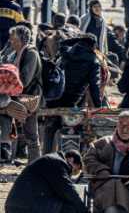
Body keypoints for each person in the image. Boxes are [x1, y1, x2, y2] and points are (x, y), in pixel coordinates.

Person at [5, 150, 87, 213]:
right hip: (25, 206)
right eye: (74, 170)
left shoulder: (51, 160)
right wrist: (84, 211)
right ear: (71, 159)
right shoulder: (57, 162)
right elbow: (68, 191)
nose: (70, 175)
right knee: (70, 209)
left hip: (19, 204)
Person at [7, 25, 42, 163]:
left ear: (22, 40)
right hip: (17, 96)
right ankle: (10, 157)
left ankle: (35, 164)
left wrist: (8, 80)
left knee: (31, 134)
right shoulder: (14, 53)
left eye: (14, 39)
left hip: (30, 98)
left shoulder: (31, 53)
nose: (11, 41)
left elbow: (25, 80)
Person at [46, 34, 102, 108]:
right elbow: (94, 86)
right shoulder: (94, 62)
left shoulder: (67, 52)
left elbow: (63, 43)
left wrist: (78, 39)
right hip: (73, 97)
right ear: (94, 46)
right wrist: (98, 105)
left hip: (56, 92)